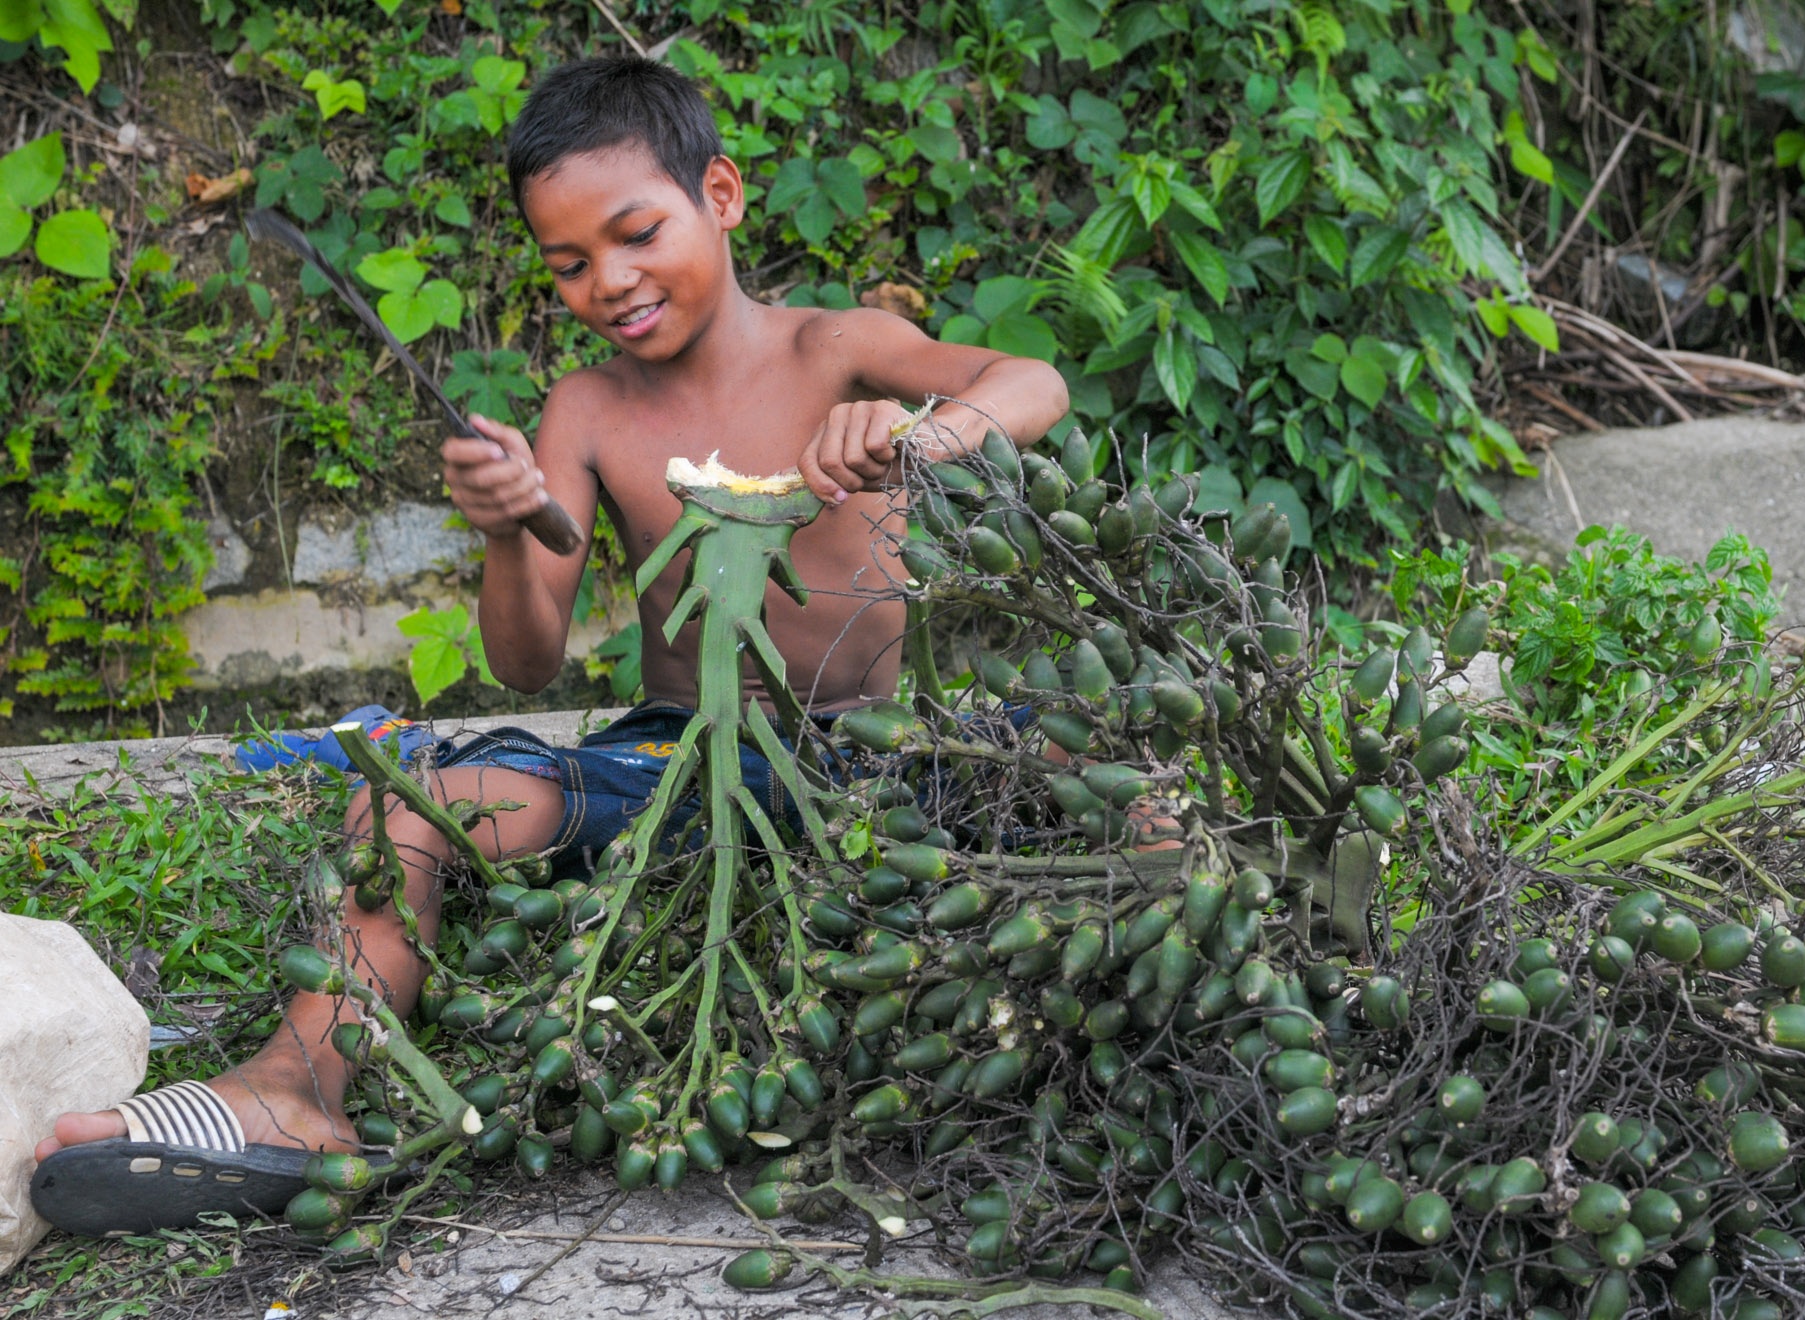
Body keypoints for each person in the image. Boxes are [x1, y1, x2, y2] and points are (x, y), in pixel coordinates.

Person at [30, 55, 1068, 1236]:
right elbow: (527, 662)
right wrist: (513, 527)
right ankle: (296, 1089)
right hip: (680, 763)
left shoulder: (838, 350)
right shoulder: (588, 410)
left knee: (1118, 772)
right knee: (410, 800)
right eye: (569, 263)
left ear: (719, 194)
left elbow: (1030, 380)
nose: (608, 282)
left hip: (884, 752)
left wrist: (924, 436)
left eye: (635, 235)